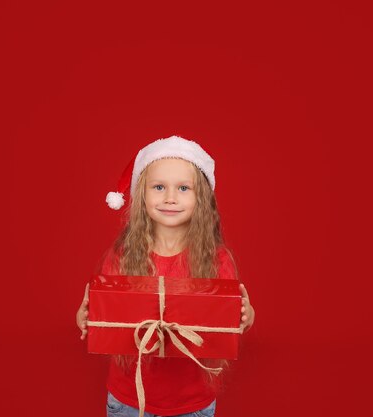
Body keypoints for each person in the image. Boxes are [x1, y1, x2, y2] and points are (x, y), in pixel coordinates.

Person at [76, 135, 255, 417]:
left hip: (193, 403)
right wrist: (87, 315)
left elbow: (227, 323)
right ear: (142, 194)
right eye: (159, 187)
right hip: (128, 401)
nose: (170, 197)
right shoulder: (123, 255)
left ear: (202, 197)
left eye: (184, 188)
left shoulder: (216, 260)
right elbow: (105, 315)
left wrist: (245, 316)